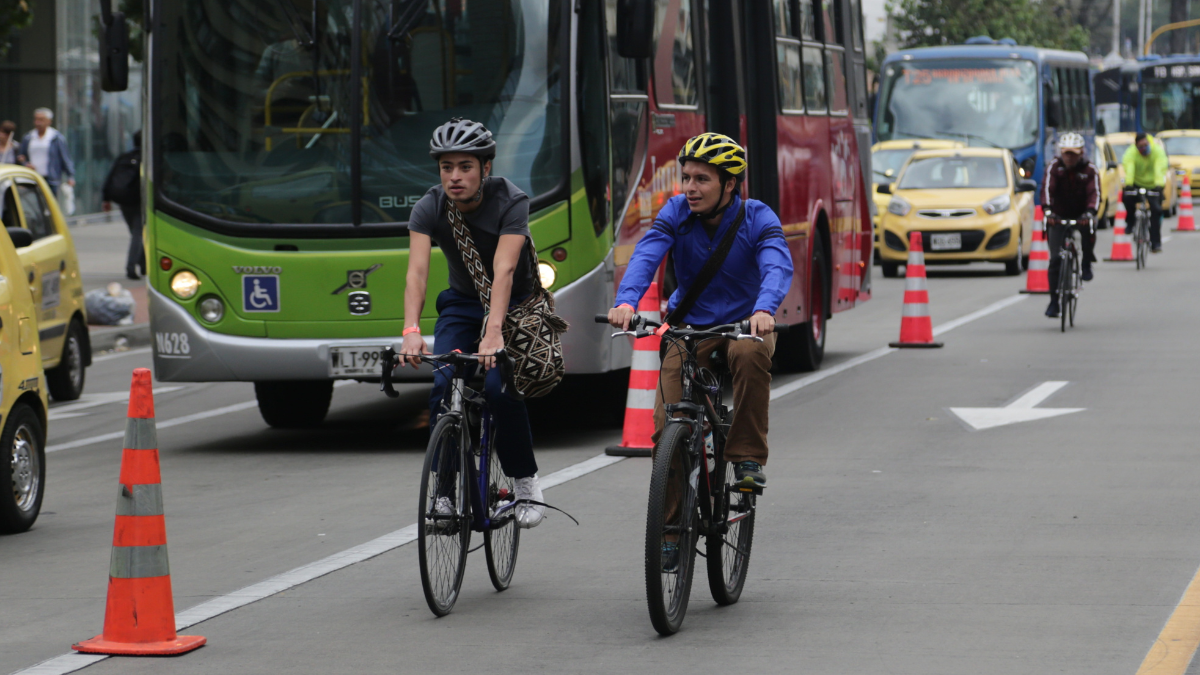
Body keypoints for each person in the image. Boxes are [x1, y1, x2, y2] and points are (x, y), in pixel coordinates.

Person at [608, 133, 793, 568]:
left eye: (702, 180)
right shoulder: (676, 212)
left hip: (745, 323)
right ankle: (671, 529)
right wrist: (626, 301)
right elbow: (648, 252)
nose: (689, 188)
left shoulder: (757, 217)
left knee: (750, 356)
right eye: (686, 177)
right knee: (665, 422)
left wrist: (765, 309)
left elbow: (776, 263)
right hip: (691, 326)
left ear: (729, 184)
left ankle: (746, 455)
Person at [398, 117, 546, 528]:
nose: (455, 176)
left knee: (500, 389)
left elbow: (504, 269)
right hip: (462, 306)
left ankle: (523, 481)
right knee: (445, 384)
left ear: (486, 168)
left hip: (513, 305)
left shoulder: (511, 201)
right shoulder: (429, 206)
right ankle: (444, 493)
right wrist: (411, 331)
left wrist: (494, 331)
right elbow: (417, 274)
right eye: (447, 167)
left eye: (466, 166)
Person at [1041, 133, 1100, 318]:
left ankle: (1087, 261)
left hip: (1081, 213)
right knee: (1055, 260)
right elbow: (1046, 189)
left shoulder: (1090, 170)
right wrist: (1048, 211)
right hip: (1058, 215)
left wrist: (1090, 212)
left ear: (1081, 153)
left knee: (1089, 227)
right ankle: (1053, 302)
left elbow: (1095, 193)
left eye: (1073, 154)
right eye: (1066, 153)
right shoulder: (1054, 167)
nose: (1069, 157)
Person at [102, 131, 145, 279]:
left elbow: (110, 176)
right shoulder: (147, 159)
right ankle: (131, 267)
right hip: (139, 201)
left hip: (123, 200)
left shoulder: (124, 157)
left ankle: (144, 264)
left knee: (135, 233)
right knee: (138, 234)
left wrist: (106, 198)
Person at [1121, 131, 1168, 254]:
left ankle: (1155, 242)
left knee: (1156, 211)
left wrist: (1158, 185)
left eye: (1145, 145)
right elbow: (1129, 167)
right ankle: (1130, 221)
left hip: (1153, 185)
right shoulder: (1131, 153)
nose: (1144, 148)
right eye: (1140, 147)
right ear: (1136, 146)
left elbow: (1160, 167)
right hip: (1137, 183)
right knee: (1126, 197)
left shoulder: (1157, 151)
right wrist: (1129, 184)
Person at [17, 108, 74, 196]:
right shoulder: (28, 137)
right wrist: (25, 164)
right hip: (32, 178)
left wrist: (70, 175)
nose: (38, 122)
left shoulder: (56, 138)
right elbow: (21, 156)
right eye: (36, 119)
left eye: (41, 120)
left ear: (49, 121)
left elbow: (65, 157)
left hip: (50, 179)